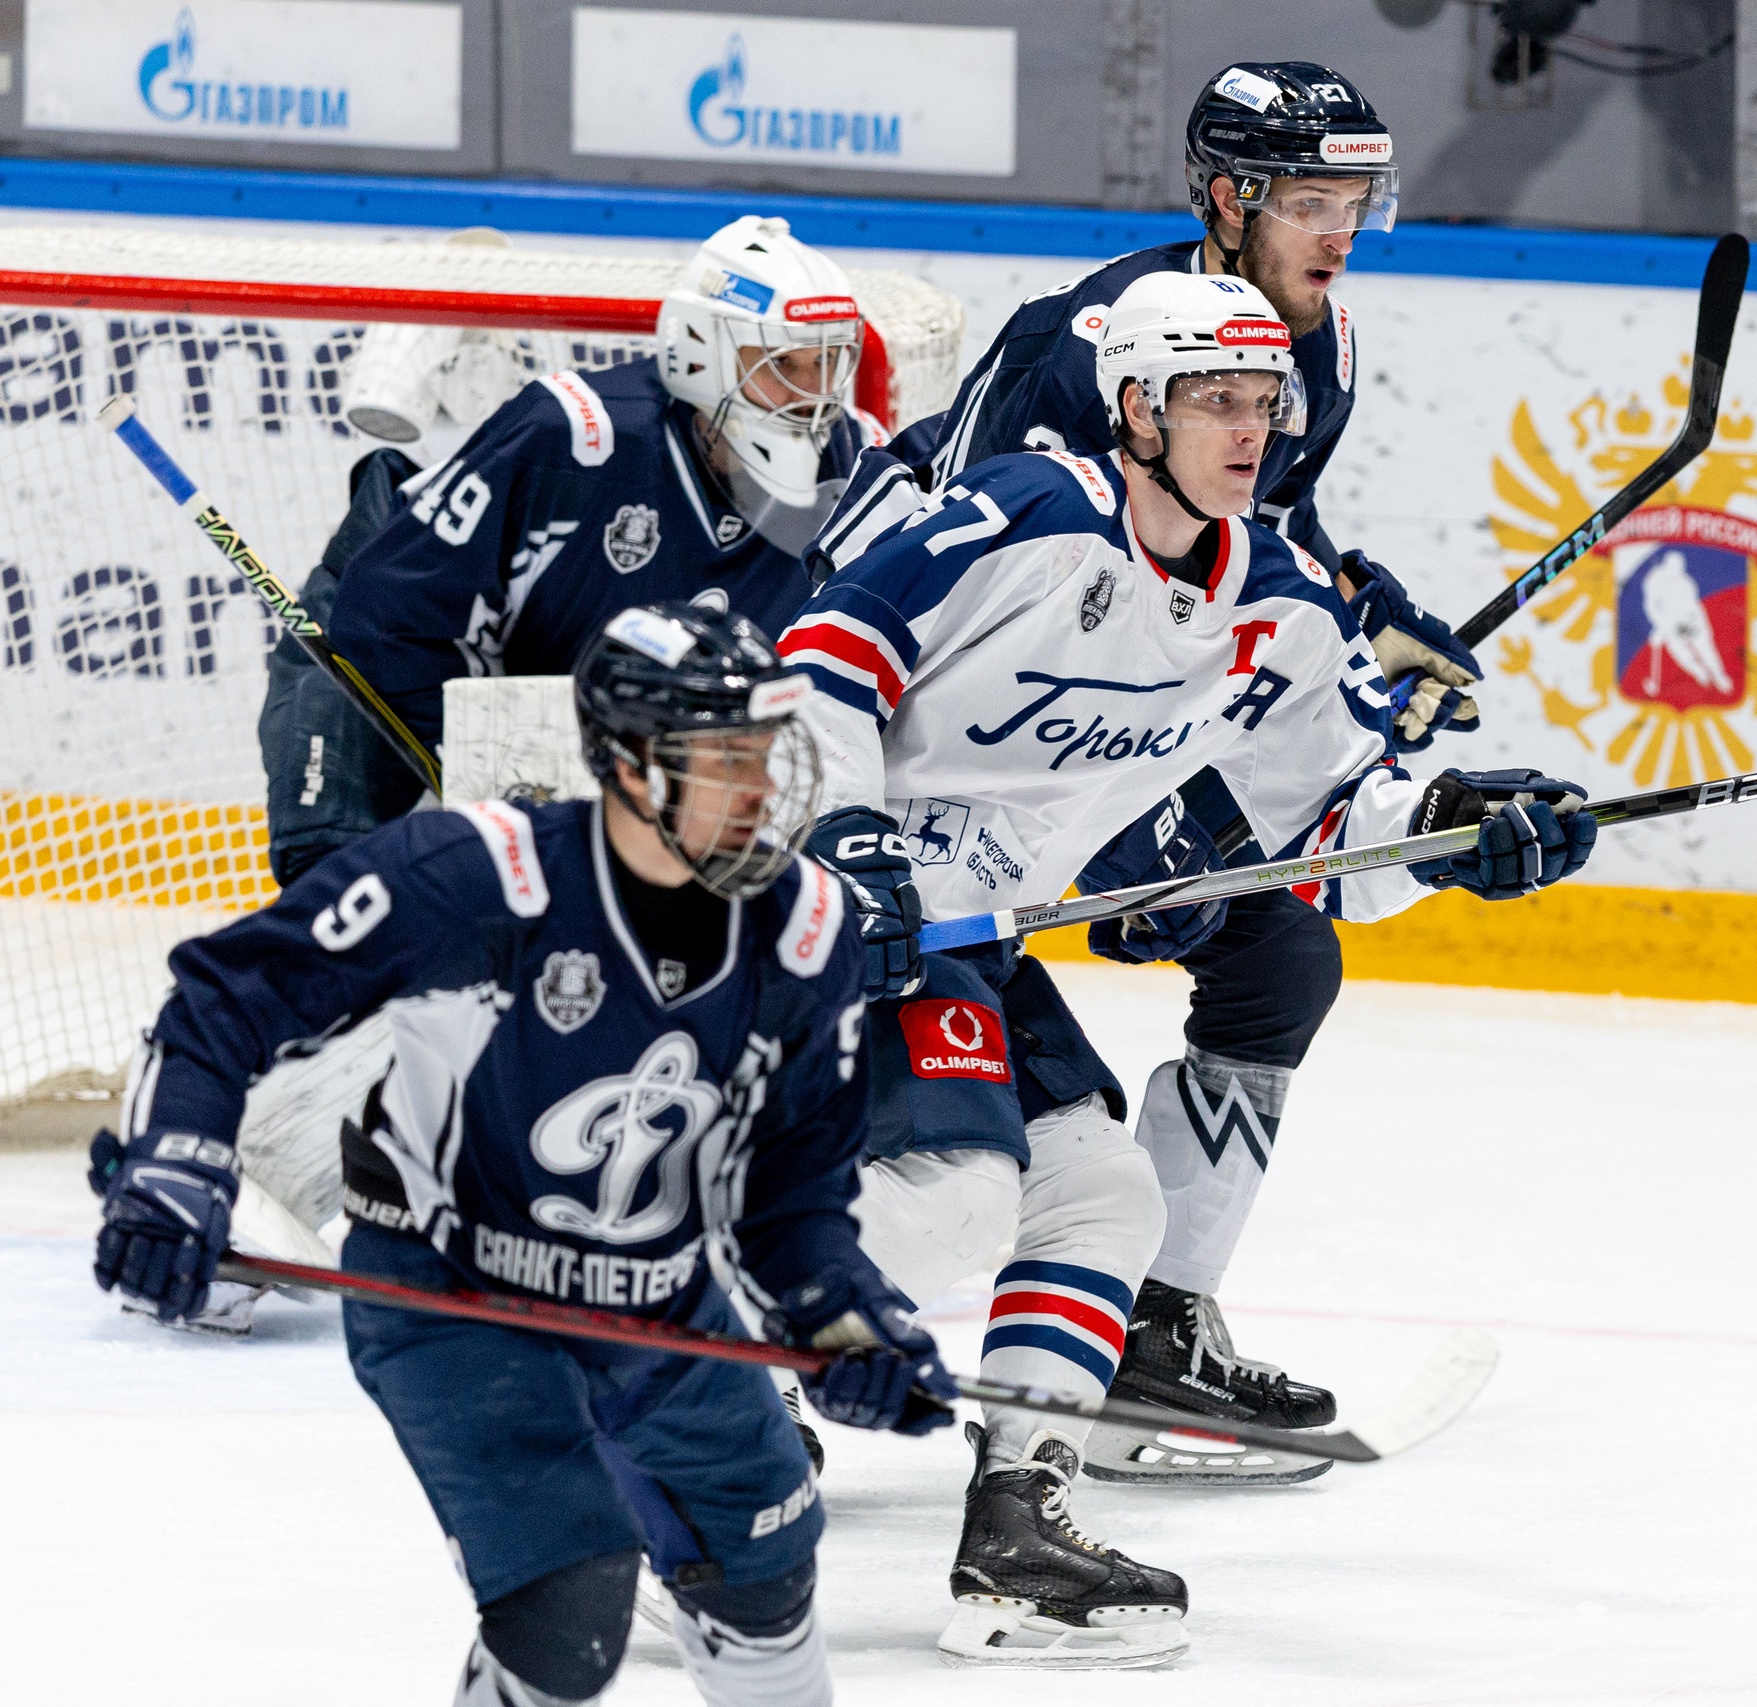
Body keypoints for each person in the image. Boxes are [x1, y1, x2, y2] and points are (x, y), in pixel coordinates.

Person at [782, 271, 1598, 1663]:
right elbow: (824, 655)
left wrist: (1458, 832)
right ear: (1137, 410)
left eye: (1264, 401)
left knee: (1100, 1195)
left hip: (967, 936)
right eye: (1215, 399)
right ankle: (673, 1398)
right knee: (960, 1195)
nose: (1248, 428)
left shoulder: (1281, 605)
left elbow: (1323, 833)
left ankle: (1017, 1529)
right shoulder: (1025, 514)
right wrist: (839, 838)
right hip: (818, 900)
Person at [92, 605, 955, 1706]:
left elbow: (789, 1202)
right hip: (455, 1298)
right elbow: (230, 993)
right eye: (724, 760)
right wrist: (177, 1160)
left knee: (766, 1581)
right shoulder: (477, 878)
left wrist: (843, 1320)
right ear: (631, 767)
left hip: (659, 1302)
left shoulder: (807, 930)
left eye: (767, 753)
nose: (762, 789)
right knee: (566, 1613)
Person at [853, 62, 1487, 1454]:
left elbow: (1252, 544)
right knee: (995, 1110)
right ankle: (755, 1312)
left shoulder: (1316, 344)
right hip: (937, 739)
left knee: (1279, 956)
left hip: (1094, 708)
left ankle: (1152, 1326)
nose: (1340, 233)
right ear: (1227, 198)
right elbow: (976, 596)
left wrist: (1367, 619)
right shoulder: (1082, 345)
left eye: (1358, 204)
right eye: (1312, 201)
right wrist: (1149, 813)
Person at [259, 213, 886, 888]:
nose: (811, 395)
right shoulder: (579, 439)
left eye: (826, 362)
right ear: (702, 351)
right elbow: (388, 612)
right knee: (336, 884)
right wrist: (490, 760)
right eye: (781, 364)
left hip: (559, 699)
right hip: (382, 618)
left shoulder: (855, 470)